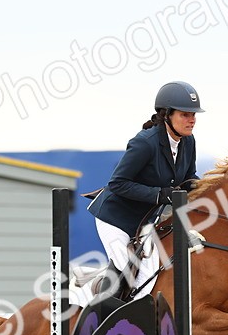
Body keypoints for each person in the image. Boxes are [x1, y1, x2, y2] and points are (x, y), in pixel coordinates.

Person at [87, 80, 203, 298]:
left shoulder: (188, 141)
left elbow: (189, 178)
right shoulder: (145, 143)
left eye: (194, 115)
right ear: (167, 114)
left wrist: (207, 187)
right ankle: (103, 318)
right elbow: (117, 183)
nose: (192, 120)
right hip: (116, 218)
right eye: (185, 114)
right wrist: (159, 194)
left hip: (146, 220)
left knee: (157, 269)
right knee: (130, 273)